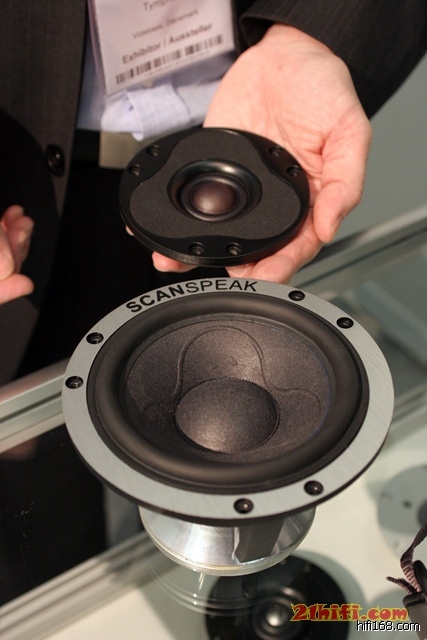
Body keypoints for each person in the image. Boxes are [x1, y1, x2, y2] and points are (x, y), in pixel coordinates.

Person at [0, 0, 425, 603]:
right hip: (40, 189)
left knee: (290, 395)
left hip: (265, 152)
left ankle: (252, 593)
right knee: (44, 479)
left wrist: (311, 37)